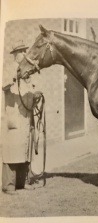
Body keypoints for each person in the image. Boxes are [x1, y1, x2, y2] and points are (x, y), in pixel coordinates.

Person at [1, 40, 43, 194]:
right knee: (12, 150)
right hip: (14, 119)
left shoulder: (28, 71)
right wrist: (16, 75)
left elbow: (32, 90)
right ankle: (9, 185)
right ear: (15, 55)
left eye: (25, 50)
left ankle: (23, 182)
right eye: (21, 51)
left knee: (26, 150)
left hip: (27, 117)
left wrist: (36, 95)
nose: (24, 54)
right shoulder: (9, 70)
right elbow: (4, 85)